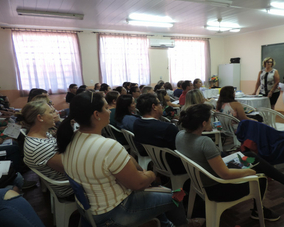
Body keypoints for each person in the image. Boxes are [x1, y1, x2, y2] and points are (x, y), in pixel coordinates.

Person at [56, 91, 192, 227]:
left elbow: (123, 162)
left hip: (90, 209)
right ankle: (183, 224)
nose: (110, 111)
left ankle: (165, 223)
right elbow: (138, 184)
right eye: (106, 108)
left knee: (155, 195)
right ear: (96, 115)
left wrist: (141, 174)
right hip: (114, 213)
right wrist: (151, 175)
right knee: (177, 195)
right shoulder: (106, 146)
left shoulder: (71, 139)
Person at [176, 104, 284, 222]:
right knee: (260, 176)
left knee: (250, 156)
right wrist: (250, 172)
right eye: (210, 119)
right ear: (203, 123)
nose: (212, 122)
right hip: (218, 189)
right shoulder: (204, 142)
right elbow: (225, 174)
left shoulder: (180, 135)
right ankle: (258, 209)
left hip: (202, 181)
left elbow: (213, 164)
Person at [17, 101, 74, 199]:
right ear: (40, 118)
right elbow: (71, 170)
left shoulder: (43, 135)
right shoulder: (39, 146)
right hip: (71, 189)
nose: (56, 115)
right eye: (51, 112)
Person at [133, 93, 186, 174]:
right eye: (160, 104)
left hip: (155, 162)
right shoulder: (167, 128)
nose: (161, 106)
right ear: (154, 107)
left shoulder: (137, 123)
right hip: (174, 166)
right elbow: (182, 148)